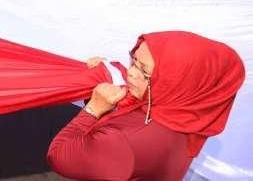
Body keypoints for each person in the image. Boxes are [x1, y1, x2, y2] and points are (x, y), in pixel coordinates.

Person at [48, 31, 245, 181]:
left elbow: (58, 156)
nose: (131, 73)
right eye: (133, 61)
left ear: (176, 81)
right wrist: (108, 74)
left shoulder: (127, 140)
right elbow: (133, 106)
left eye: (144, 70)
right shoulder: (187, 114)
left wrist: (93, 108)